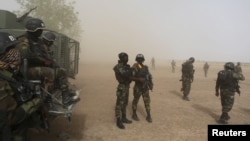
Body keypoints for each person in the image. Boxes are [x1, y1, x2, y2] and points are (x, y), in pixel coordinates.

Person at [0, 31, 44, 141]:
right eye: (9, 51)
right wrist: (35, 102)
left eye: (15, 49)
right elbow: (9, 119)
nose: (16, 54)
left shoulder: (10, 74)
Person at [41, 31, 80, 106]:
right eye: (52, 42)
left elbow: (50, 60)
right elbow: (47, 60)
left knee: (60, 71)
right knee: (61, 72)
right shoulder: (42, 47)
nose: (52, 43)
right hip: (40, 68)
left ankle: (65, 92)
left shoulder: (45, 47)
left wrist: (55, 65)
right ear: (49, 42)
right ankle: (65, 97)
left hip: (44, 67)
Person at [131, 54, 153, 123]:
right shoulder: (135, 67)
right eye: (138, 59)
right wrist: (139, 79)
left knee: (147, 102)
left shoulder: (145, 67)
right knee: (135, 101)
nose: (140, 60)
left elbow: (149, 76)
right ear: (137, 60)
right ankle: (134, 114)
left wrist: (151, 83)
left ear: (143, 60)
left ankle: (148, 115)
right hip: (138, 87)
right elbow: (131, 77)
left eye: (141, 59)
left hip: (145, 87)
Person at [113, 52, 132, 129]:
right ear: (121, 58)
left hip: (127, 86)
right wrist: (132, 69)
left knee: (125, 103)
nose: (127, 59)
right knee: (119, 104)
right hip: (122, 86)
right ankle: (118, 121)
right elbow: (125, 75)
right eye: (125, 57)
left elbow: (129, 76)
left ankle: (124, 117)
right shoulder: (119, 66)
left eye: (127, 57)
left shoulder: (125, 66)